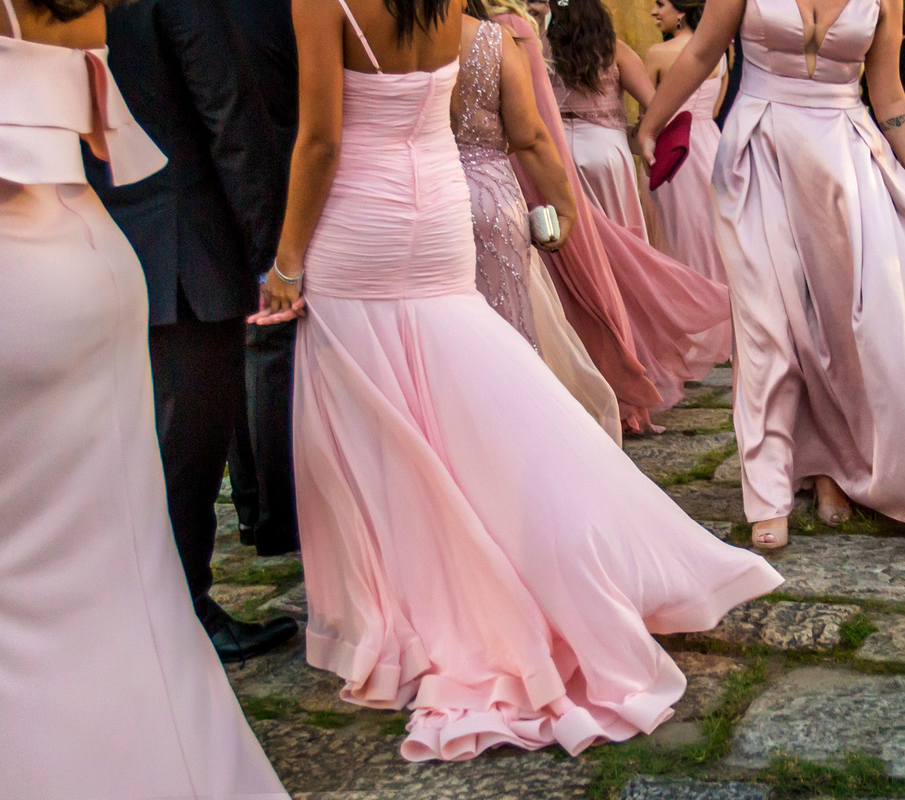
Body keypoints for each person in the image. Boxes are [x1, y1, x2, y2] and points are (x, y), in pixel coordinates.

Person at [250, 0, 782, 762]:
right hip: (436, 213)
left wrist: (287, 261)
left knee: (374, 426)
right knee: (473, 393)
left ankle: (406, 607)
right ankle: (574, 537)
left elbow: (321, 138)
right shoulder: (447, 11)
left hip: (361, 223)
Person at [0, 0, 289, 796]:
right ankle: (193, 602)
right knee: (159, 471)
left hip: (77, 232)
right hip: (132, 240)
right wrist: (270, 251)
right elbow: (227, 113)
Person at [636, 0, 905, 548]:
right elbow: (700, 52)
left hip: (846, 161)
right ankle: (767, 490)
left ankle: (832, 467)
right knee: (768, 322)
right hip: (757, 152)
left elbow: (887, 96)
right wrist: (651, 124)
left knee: (846, 327)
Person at [84, 0, 299, 660]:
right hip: (185, 247)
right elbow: (229, 116)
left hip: (96, 237)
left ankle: (142, 603)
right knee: (189, 448)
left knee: (133, 447)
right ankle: (183, 611)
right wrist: (271, 251)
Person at [499, 0, 733, 421]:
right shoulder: (618, 51)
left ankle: (587, 364)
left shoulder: (536, 47)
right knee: (623, 264)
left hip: (561, 161)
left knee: (576, 266)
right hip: (608, 159)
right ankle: (634, 363)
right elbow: (655, 105)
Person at [455, 0, 623, 441]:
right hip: (490, 196)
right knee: (508, 329)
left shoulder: (385, 42)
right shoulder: (494, 41)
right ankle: (524, 440)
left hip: (422, 195)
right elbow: (528, 134)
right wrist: (565, 206)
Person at [227, 0, 303, 557]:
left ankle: (254, 505)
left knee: (245, 340)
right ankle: (279, 519)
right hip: (275, 175)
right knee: (273, 342)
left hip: (225, 179)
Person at [547, 0, 655, 239]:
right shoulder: (616, 50)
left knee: (572, 238)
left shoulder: (540, 50)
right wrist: (642, 130)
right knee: (621, 234)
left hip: (555, 150)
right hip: (606, 152)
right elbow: (653, 103)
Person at [642, 0, 729, 283]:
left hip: (674, 151)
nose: (655, 12)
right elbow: (715, 108)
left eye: (660, 4)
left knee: (675, 233)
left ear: (681, 11)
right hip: (713, 146)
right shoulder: (721, 53)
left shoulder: (658, 53)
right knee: (714, 231)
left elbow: (648, 111)